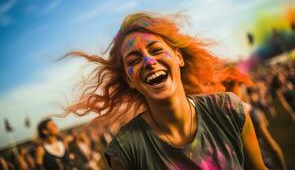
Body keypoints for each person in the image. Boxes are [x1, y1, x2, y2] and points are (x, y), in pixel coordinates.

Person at [65, 12, 267, 169]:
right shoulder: (126, 150)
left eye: (156, 50)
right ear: (129, 80)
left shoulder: (228, 109)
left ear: (178, 57)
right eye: (134, 60)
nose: (149, 61)